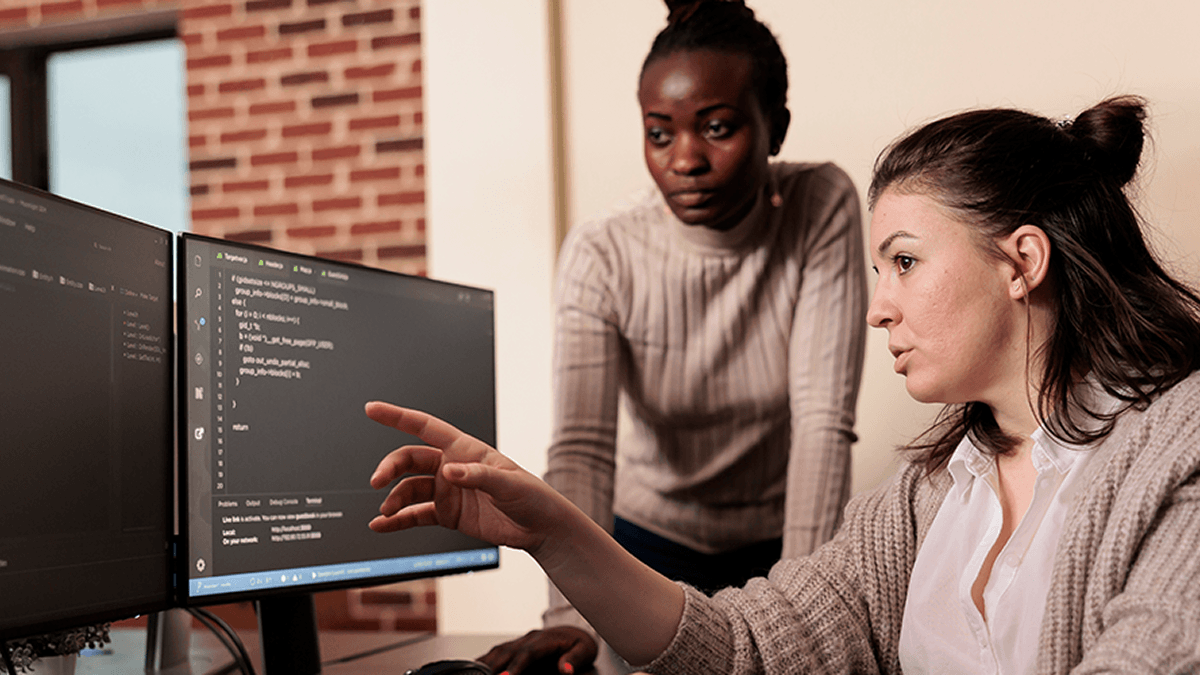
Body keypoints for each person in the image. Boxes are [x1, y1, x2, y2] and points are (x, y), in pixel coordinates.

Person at [367, 94, 1200, 673]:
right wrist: (553, 531)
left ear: (1022, 261)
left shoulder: (1180, 451)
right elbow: (743, 647)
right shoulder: (923, 497)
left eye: (906, 261)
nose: (878, 308)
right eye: (878, 270)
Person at [479, 0, 866, 672]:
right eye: (660, 134)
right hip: (641, 548)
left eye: (717, 128)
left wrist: (798, 612)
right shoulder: (603, 251)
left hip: (780, 544)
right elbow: (582, 448)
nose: (685, 159)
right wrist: (571, 614)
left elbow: (822, 424)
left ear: (775, 128)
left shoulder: (819, 205)